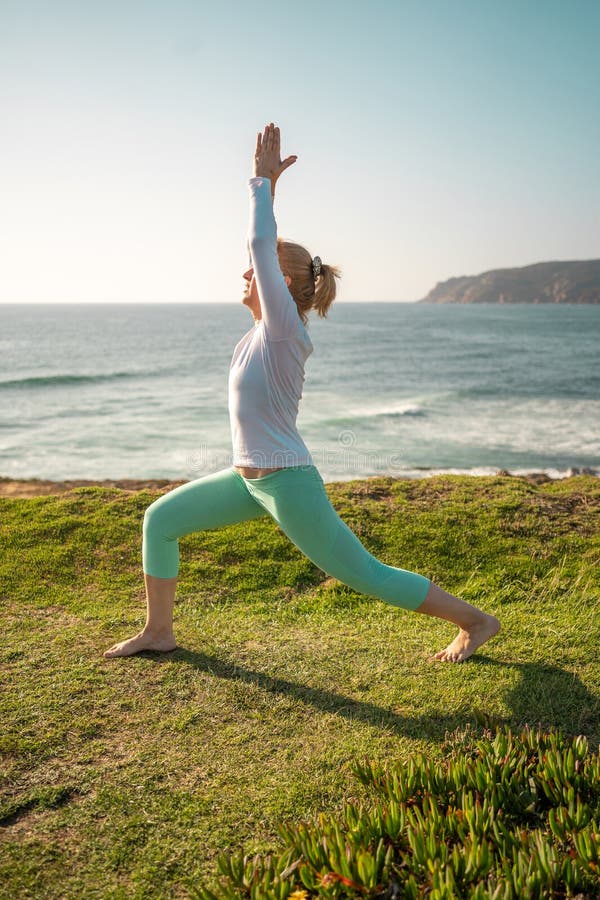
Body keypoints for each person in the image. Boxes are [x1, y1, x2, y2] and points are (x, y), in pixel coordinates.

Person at [104, 123, 500, 663]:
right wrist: (271, 194)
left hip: (287, 482)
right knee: (160, 519)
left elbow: (263, 247)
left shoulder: (284, 332)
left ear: (282, 286)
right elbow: (271, 253)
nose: (246, 273)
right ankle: (159, 631)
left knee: (366, 576)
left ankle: (475, 621)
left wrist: (261, 182)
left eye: (259, 272)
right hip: (248, 479)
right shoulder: (261, 333)